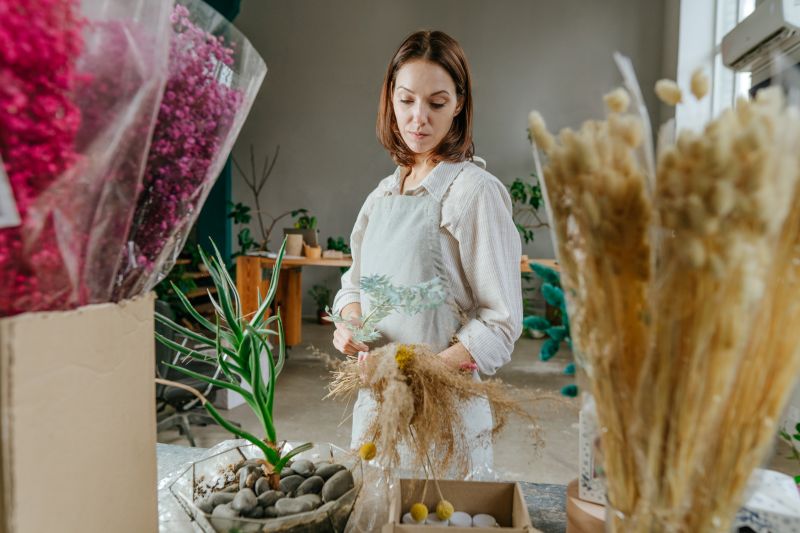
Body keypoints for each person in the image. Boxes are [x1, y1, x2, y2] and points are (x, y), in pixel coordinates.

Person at [330, 29, 522, 476]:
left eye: (436, 103)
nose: (418, 118)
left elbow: (501, 323)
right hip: (376, 409)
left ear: (459, 105)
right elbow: (351, 285)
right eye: (406, 100)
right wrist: (349, 322)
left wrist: (428, 372)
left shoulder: (474, 194)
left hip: (445, 414)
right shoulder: (380, 196)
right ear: (389, 101)